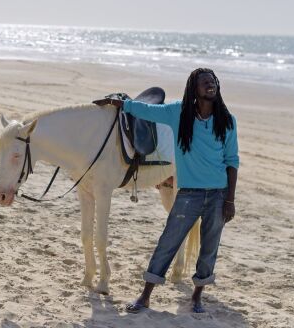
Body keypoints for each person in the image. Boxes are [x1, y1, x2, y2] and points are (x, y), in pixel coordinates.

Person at [93, 68, 239, 314]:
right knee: (168, 243)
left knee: (209, 248)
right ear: (195, 88)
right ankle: (145, 296)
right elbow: (145, 110)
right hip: (189, 194)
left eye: (213, 81)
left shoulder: (226, 120)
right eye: (205, 82)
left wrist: (230, 199)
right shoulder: (178, 113)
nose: (210, 85)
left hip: (218, 194)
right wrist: (115, 102)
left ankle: (196, 297)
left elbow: (232, 160)